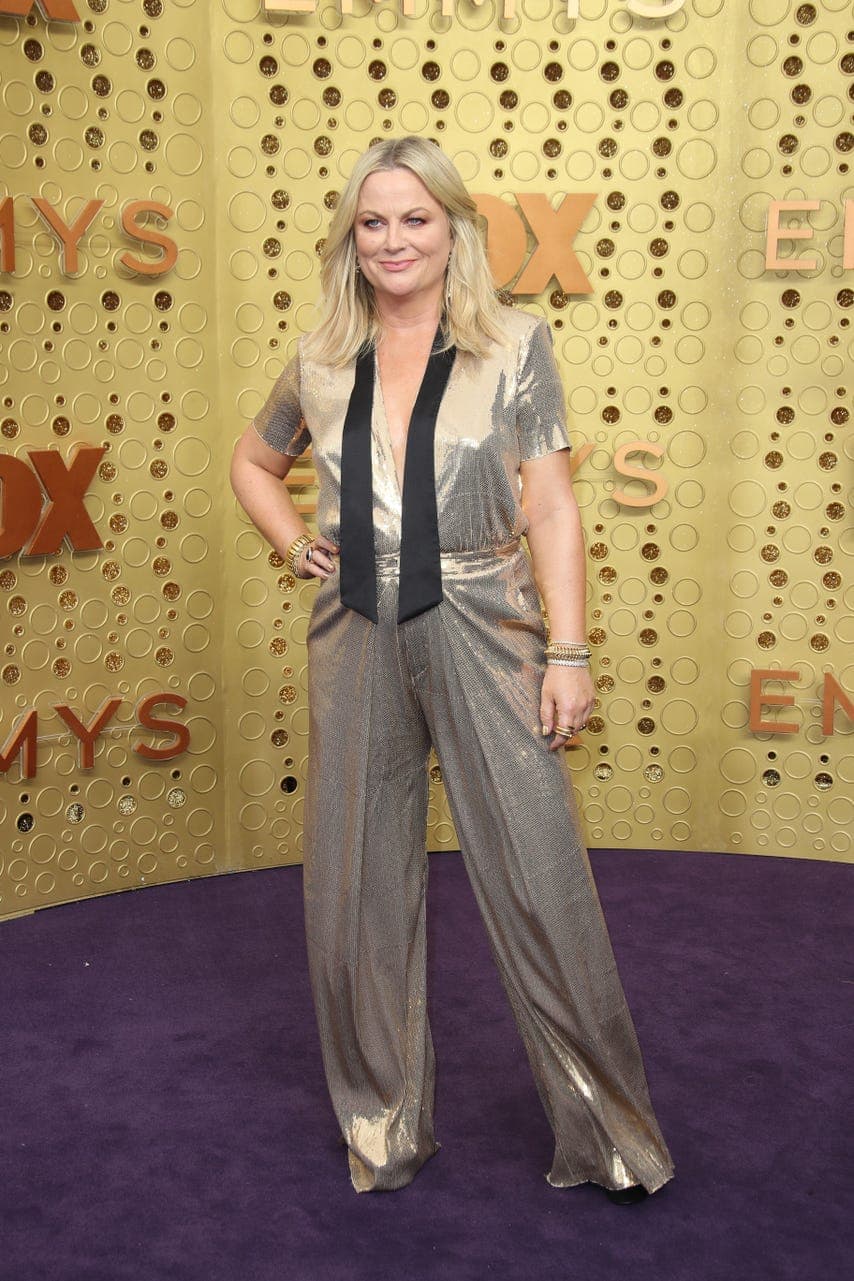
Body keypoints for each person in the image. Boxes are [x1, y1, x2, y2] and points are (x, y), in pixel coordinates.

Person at [230, 136, 675, 1204]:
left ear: (453, 229)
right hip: (353, 628)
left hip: (485, 615)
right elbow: (253, 463)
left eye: (414, 219)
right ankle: (381, 1126)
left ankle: (609, 1139)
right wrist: (293, 543)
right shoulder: (320, 357)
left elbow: (552, 506)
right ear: (352, 238)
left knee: (539, 872)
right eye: (372, 222)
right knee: (355, 882)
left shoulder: (514, 344)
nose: (393, 241)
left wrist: (567, 651)